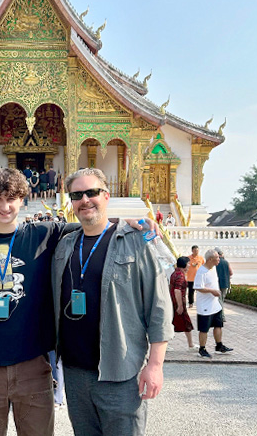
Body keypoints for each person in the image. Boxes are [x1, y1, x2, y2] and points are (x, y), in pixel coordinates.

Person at [0, 167, 153, 436]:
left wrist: (127, 220)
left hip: (33, 366)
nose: (5, 206)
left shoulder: (44, 234)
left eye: (12, 198)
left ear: (22, 200)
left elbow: (93, 223)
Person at [51, 167, 172, 436]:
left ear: (106, 196)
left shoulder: (136, 242)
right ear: (71, 202)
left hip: (120, 372)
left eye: (92, 192)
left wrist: (155, 366)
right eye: (77, 195)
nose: (85, 200)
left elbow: (159, 307)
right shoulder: (65, 245)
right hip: (74, 372)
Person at [194, 249, 233, 358]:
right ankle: (202, 349)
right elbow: (198, 287)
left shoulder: (213, 268)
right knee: (204, 329)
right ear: (210, 259)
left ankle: (219, 346)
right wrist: (212, 291)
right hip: (205, 306)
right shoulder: (202, 271)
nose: (219, 260)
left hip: (215, 304)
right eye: (217, 258)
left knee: (218, 325)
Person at [170, 256, 196, 351]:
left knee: (172, 323)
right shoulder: (180, 275)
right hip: (177, 303)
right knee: (186, 323)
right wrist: (180, 305)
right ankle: (191, 345)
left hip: (173, 302)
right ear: (184, 264)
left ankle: (190, 344)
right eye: (188, 263)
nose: (189, 265)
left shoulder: (175, 273)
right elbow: (177, 290)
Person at [215, 248, 233, 321]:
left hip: (217, 283)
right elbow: (231, 273)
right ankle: (220, 316)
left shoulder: (215, 262)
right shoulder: (226, 262)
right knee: (221, 299)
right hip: (225, 283)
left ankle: (221, 316)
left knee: (219, 300)